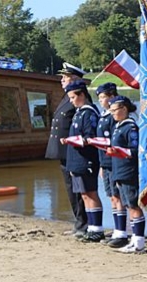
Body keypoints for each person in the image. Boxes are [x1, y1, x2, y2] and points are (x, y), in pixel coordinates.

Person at [45, 62, 88, 238]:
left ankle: (83, 225)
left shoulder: (81, 100)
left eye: (65, 77)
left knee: (78, 190)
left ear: (75, 79)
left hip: (73, 152)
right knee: (71, 190)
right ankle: (79, 223)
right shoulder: (66, 98)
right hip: (64, 151)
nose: (62, 80)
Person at [59, 80, 104, 243]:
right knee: (84, 195)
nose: (71, 101)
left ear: (82, 95)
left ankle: (96, 229)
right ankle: (91, 228)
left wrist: (74, 140)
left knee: (91, 193)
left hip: (87, 160)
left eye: (72, 97)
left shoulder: (89, 113)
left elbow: (90, 137)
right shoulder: (79, 112)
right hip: (77, 161)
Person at [106, 96, 146, 253]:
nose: (113, 114)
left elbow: (136, 150)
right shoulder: (118, 127)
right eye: (111, 111)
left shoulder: (130, 128)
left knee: (133, 205)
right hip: (119, 171)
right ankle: (134, 239)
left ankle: (139, 241)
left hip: (128, 171)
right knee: (128, 205)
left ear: (124, 109)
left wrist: (118, 151)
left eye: (115, 110)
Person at [95, 83, 128, 248]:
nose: (101, 101)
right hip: (106, 162)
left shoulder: (114, 118)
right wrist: (101, 164)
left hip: (115, 162)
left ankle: (122, 232)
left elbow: (115, 141)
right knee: (111, 197)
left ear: (112, 96)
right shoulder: (104, 116)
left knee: (118, 196)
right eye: (99, 98)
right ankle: (117, 230)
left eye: (103, 97)